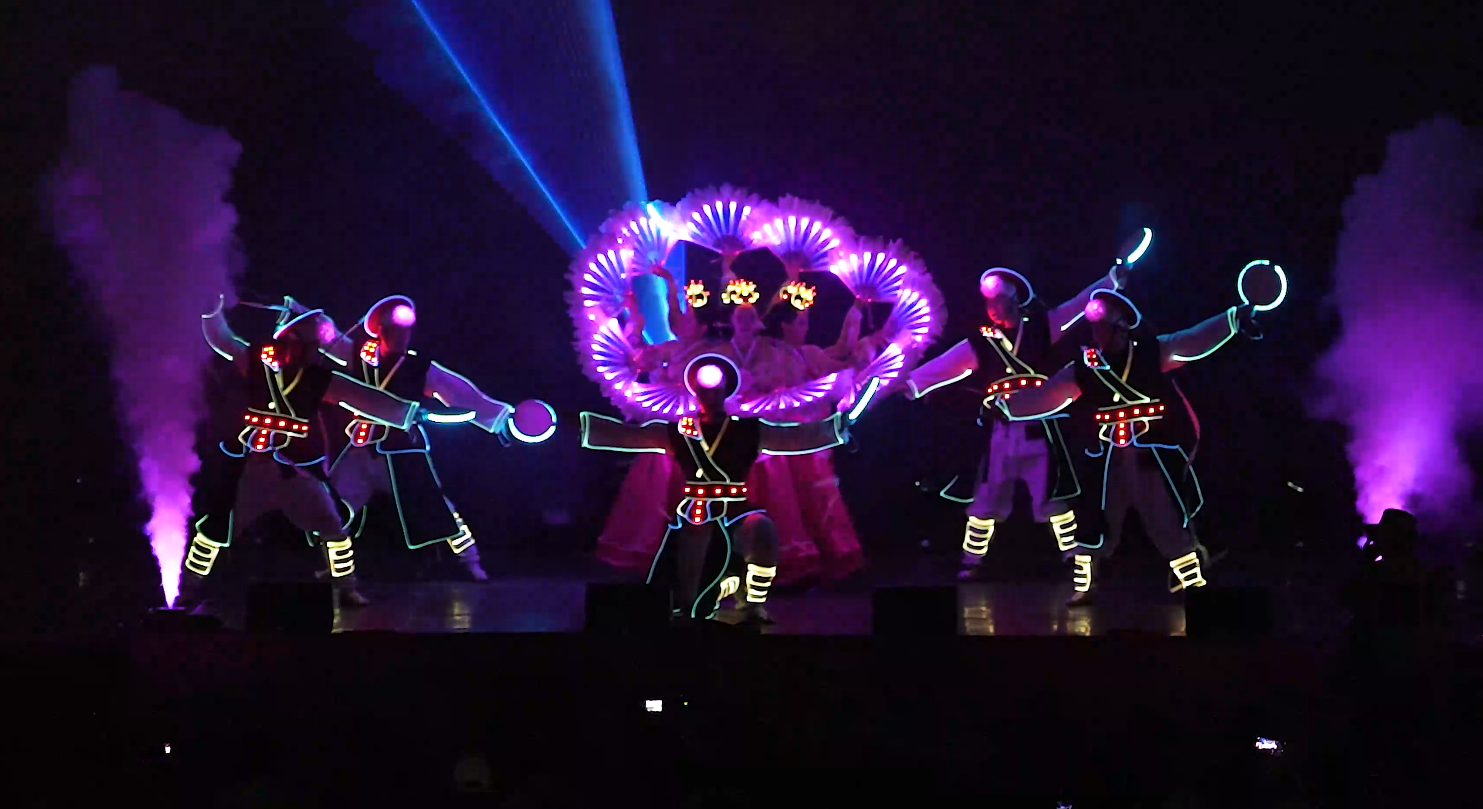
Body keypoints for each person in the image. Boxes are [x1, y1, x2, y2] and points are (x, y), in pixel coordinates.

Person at [905, 233, 1148, 582]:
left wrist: (1111, 279)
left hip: (1039, 425)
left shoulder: (1042, 328)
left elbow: (1078, 305)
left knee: (1052, 497)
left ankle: (1073, 557)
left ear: (1015, 300)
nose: (993, 308)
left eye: (999, 301)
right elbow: (945, 365)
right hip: (1000, 430)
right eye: (989, 302)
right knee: (986, 498)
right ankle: (972, 560)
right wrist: (911, 383)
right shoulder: (981, 342)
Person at [1002, 288, 1262, 603]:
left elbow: (1193, 341)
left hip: (1150, 453)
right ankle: (1084, 586)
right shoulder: (1084, 367)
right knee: (1094, 520)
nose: (1098, 335)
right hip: (1107, 458)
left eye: (1104, 328)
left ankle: (1192, 583)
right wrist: (1008, 407)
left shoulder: (1152, 353)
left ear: (1123, 327)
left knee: (1167, 518)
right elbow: (1049, 396)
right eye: (1094, 328)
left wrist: (1231, 318)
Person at [185, 303, 428, 611]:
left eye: (315, 342)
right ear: (290, 337)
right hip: (253, 468)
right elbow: (222, 339)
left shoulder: (317, 378)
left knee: (333, 527)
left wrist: (406, 413)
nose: (315, 348)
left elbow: (361, 397)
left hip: (299, 472)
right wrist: (211, 308)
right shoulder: (255, 359)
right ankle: (189, 586)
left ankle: (346, 588)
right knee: (217, 527)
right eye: (309, 340)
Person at [579, 353, 851, 624]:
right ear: (695, 392)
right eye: (704, 390)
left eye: (715, 389)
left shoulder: (747, 430)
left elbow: (792, 438)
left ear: (726, 390)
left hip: (736, 510)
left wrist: (836, 427)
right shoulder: (679, 431)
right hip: (695, 514)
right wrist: (573, 425)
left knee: (762, 531)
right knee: (690, 601)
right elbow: (631, 436)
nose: (710, 395)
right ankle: (717, 588)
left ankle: (753, 604)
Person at [319, 296, 519, 581]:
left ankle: (470, 560)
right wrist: (297, 314)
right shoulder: (360, 355)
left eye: (407, 330)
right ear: (382, 330)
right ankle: (335, 569)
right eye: (395, 329)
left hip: (403, 449)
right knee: (332, 507)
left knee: (436, 506)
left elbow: (459, 392)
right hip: (362, 449)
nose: (403, 336)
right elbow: (327, 336)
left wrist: (498, 418)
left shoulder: (419, 366)